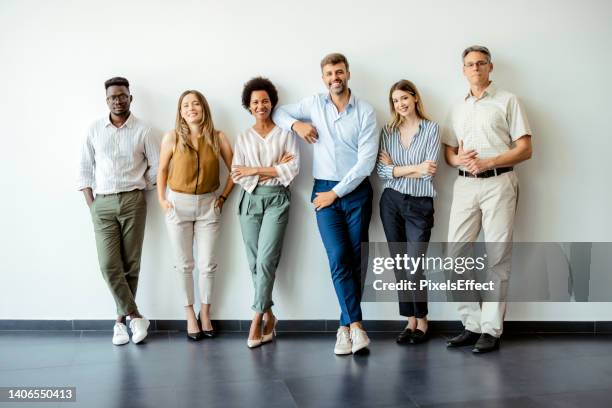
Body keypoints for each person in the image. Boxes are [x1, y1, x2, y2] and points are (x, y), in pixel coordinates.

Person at [273, 53, 379, 355]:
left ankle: (345, 327)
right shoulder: (313, 104)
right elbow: (279, 113)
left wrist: (338, 193)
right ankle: (357, 325)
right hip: (323, 191)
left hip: (355, 191)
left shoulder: (366, 112)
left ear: (348, 74)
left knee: (357, 259)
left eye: (340, 72)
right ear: (323, 78)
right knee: (338, 256)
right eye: (329, 73)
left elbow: (366, 163)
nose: (335, 78)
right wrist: (297, 127)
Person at [443, 45, 533, 353]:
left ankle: (492, 329)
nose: (476, 68)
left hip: (499, 183)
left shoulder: (509, 101)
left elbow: (525, 149)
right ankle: (472, 323)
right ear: (463, 70)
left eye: (481, 63)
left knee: (497, 258)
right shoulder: (456, 107)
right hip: (465, 186)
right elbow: (449, 152)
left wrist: (489, 161)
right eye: (470, 64)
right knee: (454, 256)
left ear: (490, 67)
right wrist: (458, 160)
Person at [78, 77, 159, 345]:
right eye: (113, 96)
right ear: (107, 100)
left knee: (130, 264)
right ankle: (136, 316)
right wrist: (93, 206)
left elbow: (157, 168)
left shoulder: (144, 130)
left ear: (130, 98)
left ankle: (120, 324)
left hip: (134, 201)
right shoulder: (94, 129)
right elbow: (85, 170)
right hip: (102, 203)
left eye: (122, 95)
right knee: (108, 265)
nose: (118, 100)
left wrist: (140, 186)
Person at [157, 90, 234, 340]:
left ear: (204, 108)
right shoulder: (171, 138)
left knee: (208, 264)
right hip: (178, 204)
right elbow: (162, 170)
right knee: (183, 264)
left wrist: (222, 199)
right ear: (180, 111)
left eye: (196, 104)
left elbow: (235, 172)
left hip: (208, 206)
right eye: (186, 105)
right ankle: (190, 314)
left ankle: (206, 312)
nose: (191, 109)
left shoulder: (218, 137)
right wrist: (162, 199)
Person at [231, 77, 300, 348]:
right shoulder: (243, 137)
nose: (261, 106)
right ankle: (271, 316)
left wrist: (255, 169)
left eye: (265, 101)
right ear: (248, 106)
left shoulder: (285, 133)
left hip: (277, 200)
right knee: (253, 262)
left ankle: (256, 317)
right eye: (255, 102)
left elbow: (293, 170)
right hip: (249, 200)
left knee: (266, 259)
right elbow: (238, 172)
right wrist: (273, 168)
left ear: (272, 103)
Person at [376, 79, 440, 345]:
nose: (400, 104)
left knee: (414, 265)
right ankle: (409, 320)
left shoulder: (432, 128)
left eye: (404, 98)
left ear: (414, 98)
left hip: (419, 204)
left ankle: (423, 320)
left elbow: (429, 171)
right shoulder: (388, 131)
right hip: (390, 202)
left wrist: (397, 168)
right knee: (400, 265)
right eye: (395, 100)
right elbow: (381, 172)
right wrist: (413, 168)